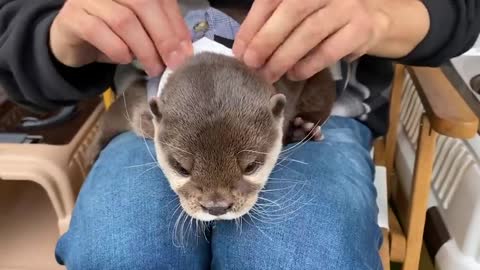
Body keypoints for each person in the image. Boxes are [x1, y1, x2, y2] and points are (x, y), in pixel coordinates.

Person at [0, 0, 479, 269]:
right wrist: (55, 36)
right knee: (122, 247)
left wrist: (384, 15)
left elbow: (461, 12)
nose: (217, 203)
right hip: (157, 119)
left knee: (300, 254)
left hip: (316, 121)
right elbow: (15, 26)